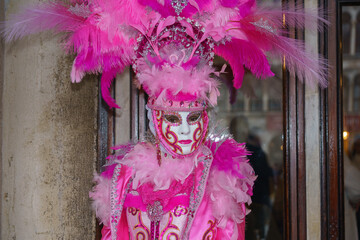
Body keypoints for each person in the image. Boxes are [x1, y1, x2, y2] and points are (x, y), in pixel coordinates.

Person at [3, 0, 329, 239]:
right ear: (153, 116)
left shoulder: (222, 179)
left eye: (194, 116)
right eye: (173, 118)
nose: (185, 130)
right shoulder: (123, 178)